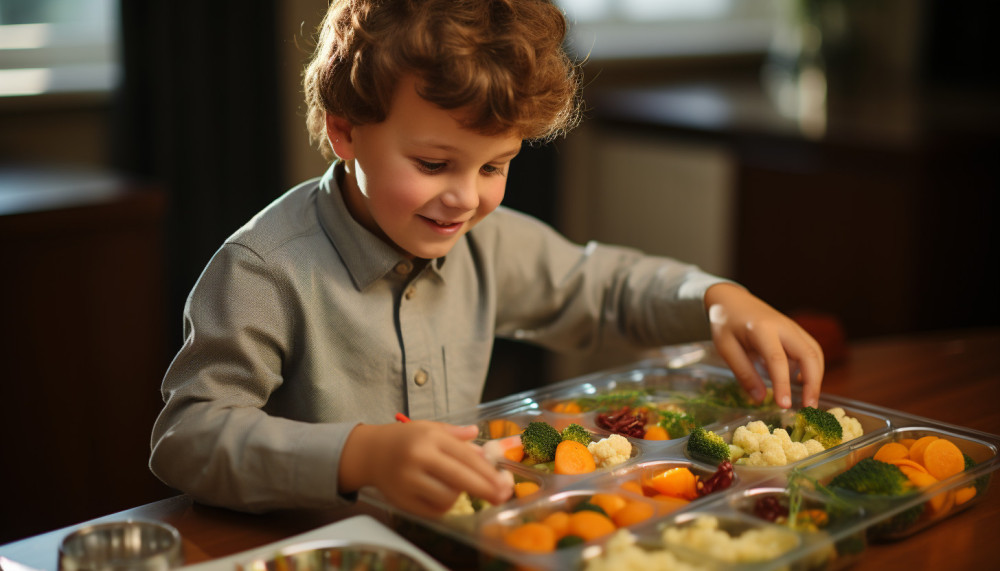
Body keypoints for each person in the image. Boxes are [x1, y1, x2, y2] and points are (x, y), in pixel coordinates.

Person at [149, 0, 823, 519]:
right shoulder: (263, 269)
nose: (466, 199)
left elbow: (607, 287)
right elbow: (188, 437)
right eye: (434, 163)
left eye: (496, 166)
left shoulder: (484, 242)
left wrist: (714, 297)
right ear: (345, 129)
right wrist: (358, 454)